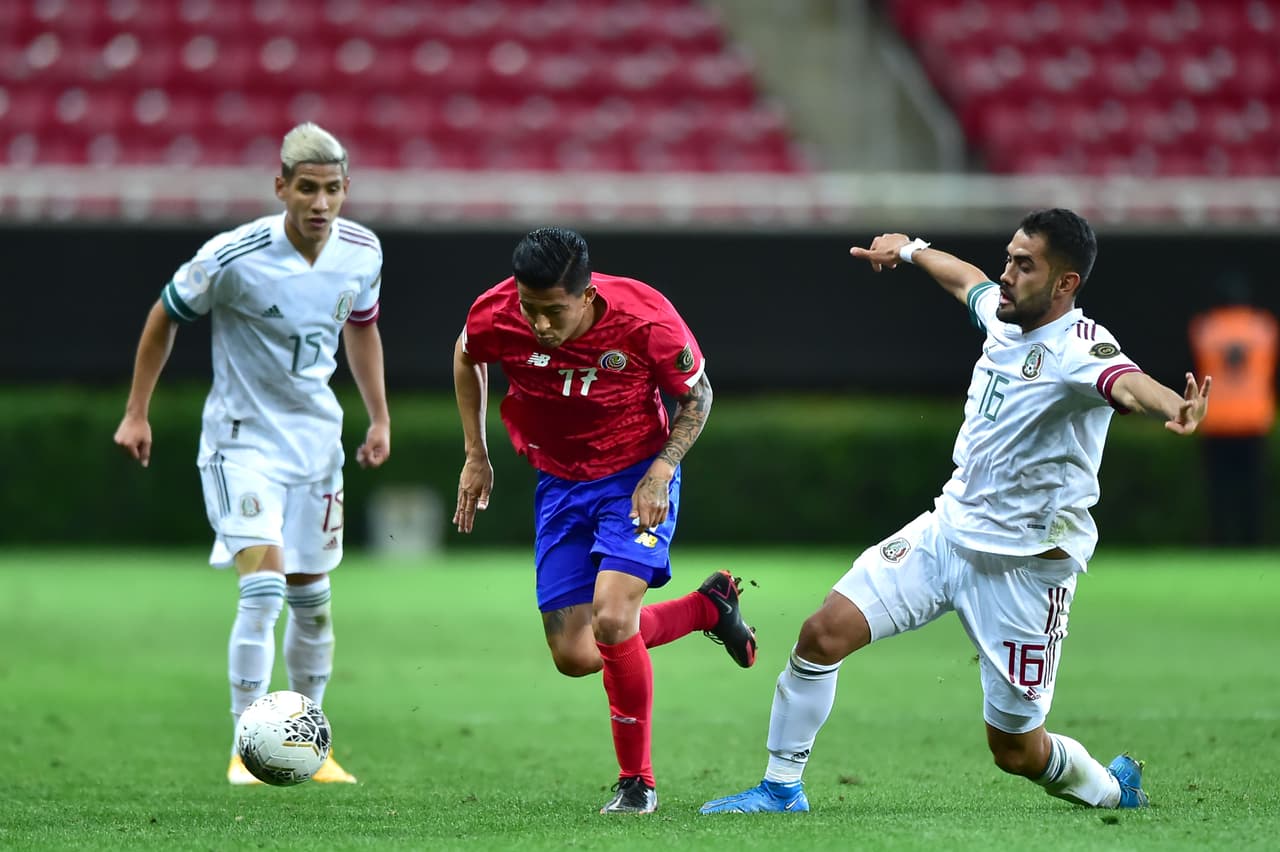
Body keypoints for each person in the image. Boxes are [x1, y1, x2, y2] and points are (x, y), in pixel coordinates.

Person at [700, 209, 1211, 815]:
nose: (1008, 274)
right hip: (946, 533)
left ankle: (1111, 789)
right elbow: (966, 279)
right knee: (821, 635)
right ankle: (782, 789)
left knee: (1016, 751)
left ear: (1065, 283)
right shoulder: (1004, 312)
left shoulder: (1079, 348)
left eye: (1025, 265)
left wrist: (1174, 407)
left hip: (1024, 571)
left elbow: (1126, 381)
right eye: (1009, 258)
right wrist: (909, 249)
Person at [113, 122, 390, 786]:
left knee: (312, 600)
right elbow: (164, 314)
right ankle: (246, 748)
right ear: (281, 187)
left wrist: (379, 416)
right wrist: (136, 410)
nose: (321, 203)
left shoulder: (362, 251)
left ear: (346, 189)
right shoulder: (233, 255)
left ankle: (311, 746)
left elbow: (362, 328)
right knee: (263, 589)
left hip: (316, 444)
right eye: (307, 188)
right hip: (241, 442)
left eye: (332, 189)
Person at [452, 226, 757, 815]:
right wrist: (475, 451)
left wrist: (662, 469)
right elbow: (466, 355)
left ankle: (637, 783)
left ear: (587, 295)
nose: (539, 324)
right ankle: (706, 608)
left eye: (553, 311)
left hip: (634, 478)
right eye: (530, 308)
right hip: (559, 482)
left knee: (614, 618)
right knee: (574, 654)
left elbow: (698, 396)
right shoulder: (496, 311)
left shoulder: (646, 319)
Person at [1188, 272, 1277, 546]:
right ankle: (1253, 540)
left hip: (1216, 419)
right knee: (1253, 487)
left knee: (1218, 488)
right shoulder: (1264, 327)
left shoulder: (1205, 327)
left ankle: (1220, 540)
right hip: (1254, 418)